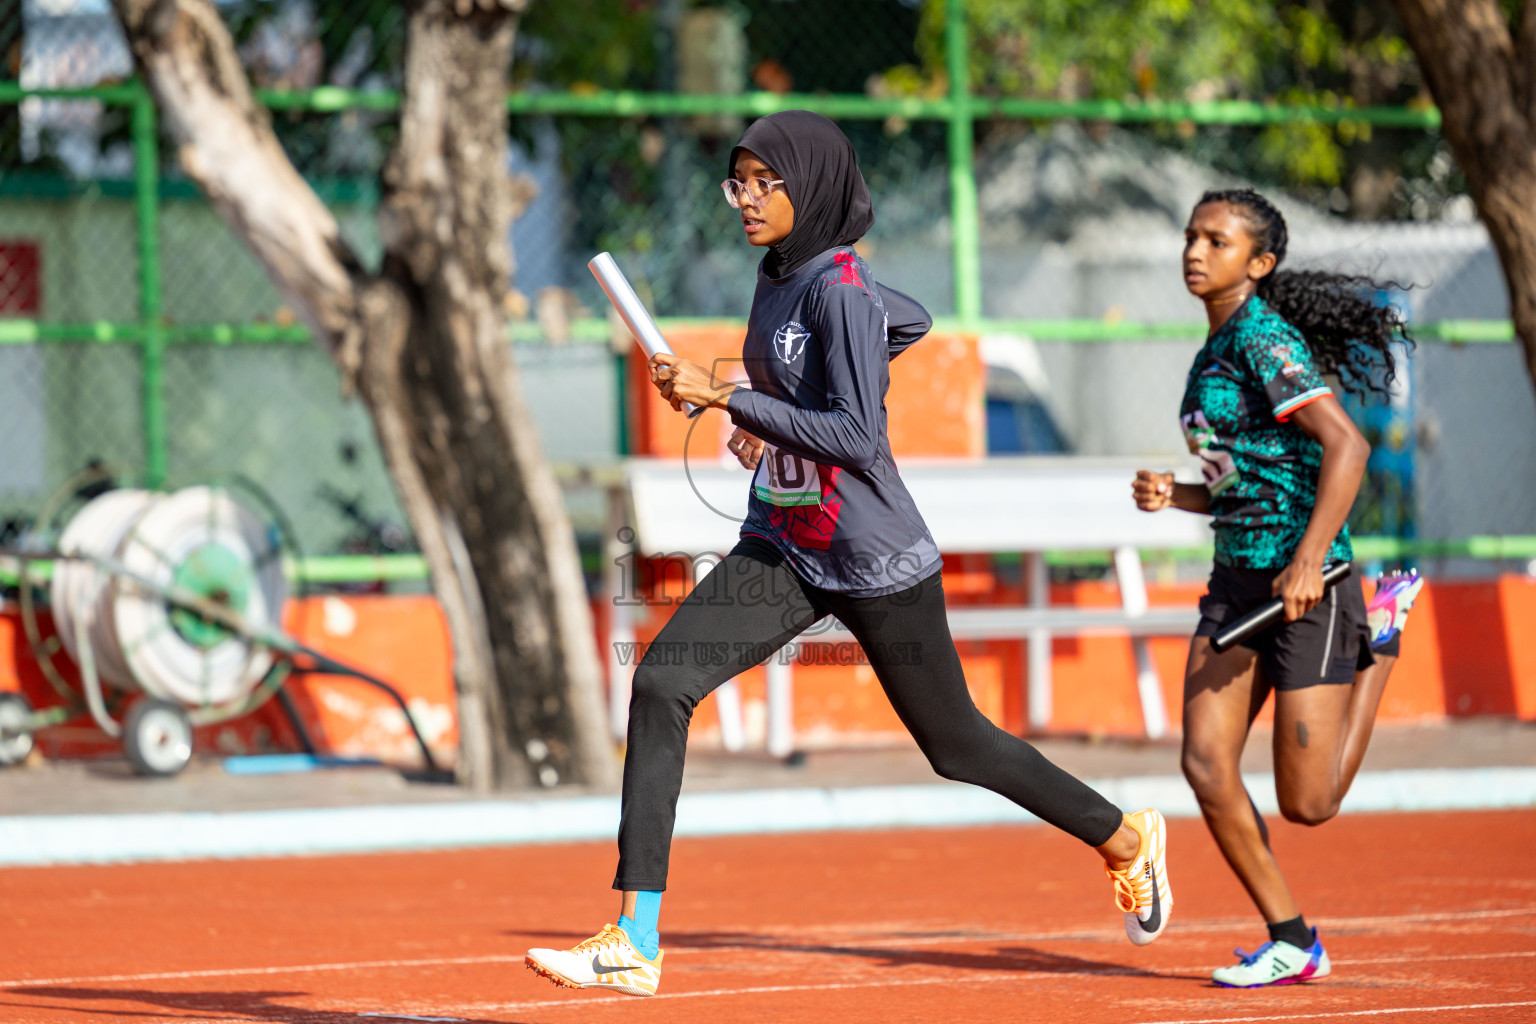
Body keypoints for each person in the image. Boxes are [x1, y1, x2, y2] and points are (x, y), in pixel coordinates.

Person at [525, 110, 1174, 998]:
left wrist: (731, 399)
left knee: (961, 747)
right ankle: (635, 936)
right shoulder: (780, 276)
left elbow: (860, 435)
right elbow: (903, 325)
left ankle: (1126, 835)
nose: (746, 200)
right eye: (737, 182)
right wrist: (766, 413)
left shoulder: (839, 287)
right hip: (785, 542)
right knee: (662, 681)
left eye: (765, 183)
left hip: (873, 555)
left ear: (814, 185)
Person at [1132, 188, 1423, 989]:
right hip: (1236, 583)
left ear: (1258, 264)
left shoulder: (1264, 339)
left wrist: (1307, 559)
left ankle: (1383, 642)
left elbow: (1348, 446)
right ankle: (1292, 939)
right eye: (1191, 235)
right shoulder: (1211, 349)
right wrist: (1181, 494)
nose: (1195, 250)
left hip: (1308, 585)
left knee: (1309, 804)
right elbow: (1249, 474)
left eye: (1216, 241)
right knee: (1205, 764)